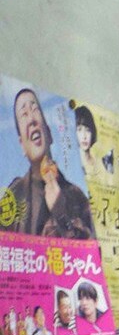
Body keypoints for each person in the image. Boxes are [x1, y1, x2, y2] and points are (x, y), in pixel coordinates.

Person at [5, 88, 94, 239]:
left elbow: (91, 252)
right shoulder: (14, 194)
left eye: (35, 109)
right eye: (24, 114)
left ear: (49, 134)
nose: (32, 119)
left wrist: (62, 217)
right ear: (21, 145)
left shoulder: (76, 195)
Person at [75, 106, 103, 182]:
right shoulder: (75, 161)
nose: (84, 136)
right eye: (79, 130)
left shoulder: (99, 162)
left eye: (88, 130)